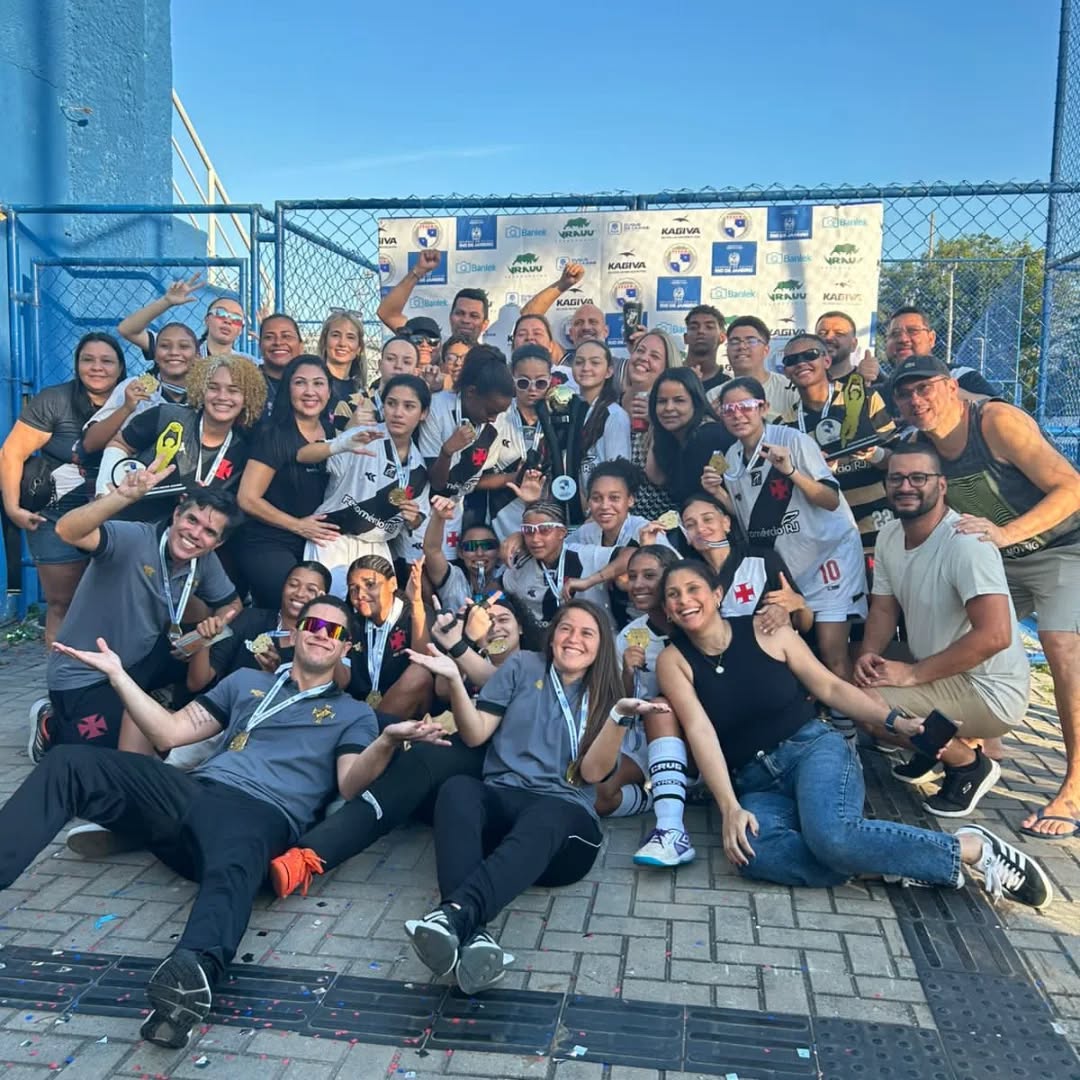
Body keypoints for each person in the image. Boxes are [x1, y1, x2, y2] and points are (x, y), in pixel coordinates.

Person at [2, 594, 446, 1049]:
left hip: (263, 811)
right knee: (70, 761)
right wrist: (118, 675)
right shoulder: (245, 681)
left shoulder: (354, 713)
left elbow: (350, 784)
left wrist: (386, 741)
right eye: (313, 624)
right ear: (294, 633)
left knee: (236, 862)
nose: (320, 635)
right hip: (195, 792)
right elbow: (169, 732)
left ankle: (189, 979)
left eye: (334, 631)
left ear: (346, 647)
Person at [653, 560, 1051, 910]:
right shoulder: (674, 661)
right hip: (755, 781)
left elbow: (831, 688)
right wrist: (730, 808)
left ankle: (971, 848)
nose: (684, 600)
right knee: (753, 854)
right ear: (667, 609)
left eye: (693, 589)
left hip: (811, 749)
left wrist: (895, 722)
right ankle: (889, 863)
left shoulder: (765, 629)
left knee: (834, 837)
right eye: (673, 595)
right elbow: (701, 732)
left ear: (717, 593)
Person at [401, 600, 669, 994]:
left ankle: (454, 915)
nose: (573, 639)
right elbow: (475, 734)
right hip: (505, 808)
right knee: (458, 789)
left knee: (549, 812)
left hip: (564, 834)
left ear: (600, 646)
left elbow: (593, 775)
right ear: (552, 634)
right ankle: (470, 933)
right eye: (566, 628)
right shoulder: (522, 666)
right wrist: (456, 682)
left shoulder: (609, 692)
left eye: (587, 633)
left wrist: (617, 719)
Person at [891, 355, 1080, 837]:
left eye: (925, 388)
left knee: (1061, 647)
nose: (916, 400)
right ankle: (976, 751)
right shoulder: (919, 444)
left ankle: (1074, 789)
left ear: (951, 387)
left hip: (1062, 548)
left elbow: (1071, 488)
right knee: (953, 633)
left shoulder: (995, 422)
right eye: (905, 394)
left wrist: (1007, 534)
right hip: (1001, 557)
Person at [268, 593, 540, 901]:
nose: (495, 627)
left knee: (423, 759)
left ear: (521, 627)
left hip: (494, 769)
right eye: (487, 621)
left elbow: (504, 684)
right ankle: (315, 803)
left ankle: (314, 851)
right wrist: (465, 642)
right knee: (382, 729)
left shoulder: (534, 665)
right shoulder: (474, 656)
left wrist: (460, 646)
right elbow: (443, 689)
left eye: (503, 620)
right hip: (450, 769)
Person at [630, 499, 811, 869]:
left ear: (728, 522)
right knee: (663, 705)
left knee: (830, 831)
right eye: (690, 523)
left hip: (769, 690)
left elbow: (805, 626)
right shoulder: (683, 574)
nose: (701, 529)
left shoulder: (761, 560)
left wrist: (796, 605)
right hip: (715, 698)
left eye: (708, 519)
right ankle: (671, 827)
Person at [854, 444, 1030, 816]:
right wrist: (869, 654)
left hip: (988, 688)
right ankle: (931, 747)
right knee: (854, 672)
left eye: (918, 478)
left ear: (942, 485)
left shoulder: (965, 543)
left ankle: (968, 765)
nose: (906, 486)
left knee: (865, 706)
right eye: (896, 478)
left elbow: (996, 635)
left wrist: (912, 674)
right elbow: (884, 607)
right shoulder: (889, 535)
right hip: (943, 669)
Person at [27, 463, 241, 758]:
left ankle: (152, 698)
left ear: (219, 543)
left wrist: (212, 628)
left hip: (140, 661)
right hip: (86, 672)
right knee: (93, 757)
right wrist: (121, 497)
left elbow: (232, 604)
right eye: (192, 520)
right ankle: (50, 724)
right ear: (176, 515)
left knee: (210, 671)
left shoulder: (203, 562)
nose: (195, 534)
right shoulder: (132, 538)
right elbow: (66, 530)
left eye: (209, 532)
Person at [708, 378, 866, 734]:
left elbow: (830, 499)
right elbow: (746, 520)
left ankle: (849, 738)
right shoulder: (729, 458)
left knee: (831, 650)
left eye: (746, 406)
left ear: (763, 407)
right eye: (729, 409)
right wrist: (718, 496)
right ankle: (818, 728)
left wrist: (791, 471)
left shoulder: (793, 441)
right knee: (796, 650)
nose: (738, 415)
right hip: (789, 567)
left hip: (830, 556)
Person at [0, 333, 125, 645]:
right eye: (88, 360)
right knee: (62, 603)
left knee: (111, 604)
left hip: (114, 514)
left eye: (107, 361)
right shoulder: (55, 400)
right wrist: (13, 508)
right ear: (77, 364)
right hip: (55, 514)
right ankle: (60, 673)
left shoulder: (134, 400)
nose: (97, 367)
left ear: (121, 368)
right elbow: (11, 453)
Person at [296, 373, 430, 595]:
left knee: (377, 612)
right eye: (391, 403)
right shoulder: (363, 436)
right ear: (383, 406)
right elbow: (303, 455)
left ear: (423, 413)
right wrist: (340, 445)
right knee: (327, 608)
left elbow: (418, 519)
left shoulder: (418, 468)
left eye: (409, 406)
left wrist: (413, 517)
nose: (398, 413)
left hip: (377, 546)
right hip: (334, 538)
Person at [95, 352, 264, 521]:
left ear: (247, 398)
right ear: (201, 389)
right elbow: (119, 443)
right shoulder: (167, 416)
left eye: (233, 390)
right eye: (213, 388)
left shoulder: (243, 449)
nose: (222, 397)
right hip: (131, 521)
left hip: (189, 532)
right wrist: (104, 493)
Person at [780, 333, 896, 555]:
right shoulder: (784, 424)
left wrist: (873, 453)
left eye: (810, 355)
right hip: (825, 532)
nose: (801, 363)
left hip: (876, 521)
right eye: (791, 360)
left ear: (826, 360)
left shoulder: (865, 398)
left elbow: (897, 459)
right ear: (786, 371)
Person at [237, 356, 335, 608]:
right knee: (296, 602)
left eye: (318, 383)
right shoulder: (273, 434)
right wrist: (298, 526)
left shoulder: (332, 433)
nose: (310, 391)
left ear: (329, 391)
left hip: (314, 542)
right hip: (270, 540)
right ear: (287, 389)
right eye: (300, 383)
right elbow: (247, 498)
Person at [601, 544, 685, 824]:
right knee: (598, 796)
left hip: (702, 734)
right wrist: (627, 673)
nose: (637, 585)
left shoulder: (698, 622)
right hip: (645, 738)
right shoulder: (629, 635)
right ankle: (657, 796)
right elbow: (620, 702)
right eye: (632, 576)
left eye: (649, 576)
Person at [418, 345, 515, 559]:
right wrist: (447, 451)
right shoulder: (437, 409)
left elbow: (473, 481)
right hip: (424, 510)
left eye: (499, 413)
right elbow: (437, 484)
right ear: (471, 393)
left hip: (457, 512)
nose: (494, 418)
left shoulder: (496, 423)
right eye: (491, 411)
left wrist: (513, 478)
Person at [186, 560, 332, 695]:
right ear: (283, 587)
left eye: (311, 590)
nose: (300, 593)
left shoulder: (319, 642)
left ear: (323, 597)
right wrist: (203, 642)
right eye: (293, 585)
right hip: (221, 705)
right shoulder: (250, 618)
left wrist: (273, 673)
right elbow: (196, 684)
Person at [501, 501, 631, 629]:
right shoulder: (520, 567)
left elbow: (632, 555)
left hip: (597, 635)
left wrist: (589, 581)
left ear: (562, 532)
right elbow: (496, 592)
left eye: (545, 530)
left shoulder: (584, 555)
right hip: (544, 638)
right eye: (528, 530)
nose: (535, 539)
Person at [81, 322, 197, 455]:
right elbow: (89, 444)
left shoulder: (207, 393)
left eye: (184, 346)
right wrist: (126, 408)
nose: (174, 352)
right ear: (155, 354)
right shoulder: (135, 387)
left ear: (197, 355)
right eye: (164, 346)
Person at [343, 555, 433, 719]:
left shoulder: (416, 614)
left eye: (370, 584)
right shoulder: (352, 623)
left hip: (408, 715)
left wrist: (417, 605)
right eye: (353, 589)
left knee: (419, 673)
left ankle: (370, 731)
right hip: (360, 711)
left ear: (392, 584)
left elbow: (424, 665)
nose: (360, 594)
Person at [619, 330, 684, 520]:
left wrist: (656, 422)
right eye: (640, 351)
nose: (643, 358)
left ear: (667, 369)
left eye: (654, 356)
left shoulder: (672, 414)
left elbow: (658, 477)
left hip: (659, 523)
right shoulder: (613, 403)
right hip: (615, 521)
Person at [645, 368, 732, 508]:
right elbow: (656, 477)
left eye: (679, 400)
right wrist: (655, 426)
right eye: (662, 401)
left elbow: (693, 495)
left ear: (696, 402)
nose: (668, 408)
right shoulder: (672, 436)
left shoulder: (708, 436)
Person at [117, 274, 245, 362]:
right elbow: (127, 330)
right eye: (220, 313)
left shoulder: (248, 364)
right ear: (207, 320)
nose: (228, 321)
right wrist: (166, 301)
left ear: (241, 329)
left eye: (236, 319)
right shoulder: (179, 348)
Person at [883, 307, 997, 400]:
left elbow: (997, 408)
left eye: (913, 331)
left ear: (931, 338)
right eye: (894, 334)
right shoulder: (881, 389)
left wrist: (942, 389)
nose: (903, 339)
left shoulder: (958, 375)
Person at [377, 251, 489, 343]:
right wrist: (418, 271)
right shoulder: (432, 345)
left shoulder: (490, 358)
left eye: (474, 316)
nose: (465, 320)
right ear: (450, 317)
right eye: (460, 313)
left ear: (485, 324)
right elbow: (387, 314)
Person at [570, 340, 631, 493]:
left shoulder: (615, 415)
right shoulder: (568, 409)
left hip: (600, 502)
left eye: (595, 363)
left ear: (609, 371)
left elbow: (618, 472)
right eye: (579, 362)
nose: (586, 368)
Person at [424, 495, 504, 611]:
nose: (479, 553)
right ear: (460, 553)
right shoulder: (453, 581)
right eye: (471, 547)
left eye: (487, 545)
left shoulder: (509, 577)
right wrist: (438, 517)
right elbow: (432, 550)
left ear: (498, 550)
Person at [715, 317, 799, 422]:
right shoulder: (715, 395)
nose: (742, 346)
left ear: (766, 350)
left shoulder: (790, 389)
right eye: (735, 341)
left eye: (751, 341)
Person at [257, 314, 306, 414]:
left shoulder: (313, 384)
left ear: (301, 345)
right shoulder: (246, 384)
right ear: (260, 346)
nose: (278, 342)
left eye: (286, 336)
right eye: (269, 337)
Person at [316, 310, 366, 406]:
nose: (342, 343)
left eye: (350, 337)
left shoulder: (360, 393)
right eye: (335, 335)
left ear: (359, 348)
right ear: (324, 341)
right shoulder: (313, 384)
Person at [814, 310, 880, 383]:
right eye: (822, 333)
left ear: (853, 344)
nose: (829, 337)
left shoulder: (870, 380)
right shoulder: (806, 380)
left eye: (839, 333)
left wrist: (860, 382)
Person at [684, 305, 729, 393]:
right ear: (685, 338)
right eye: (694, 327)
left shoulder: (728, 384)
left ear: (722, 337)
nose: (701, 331)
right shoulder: (670, 376)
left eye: (709, 327)